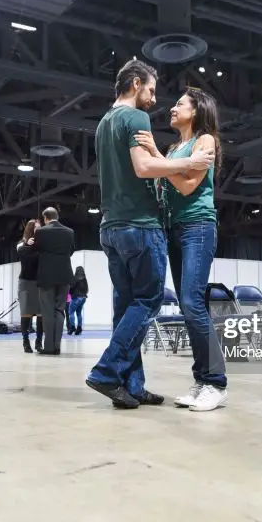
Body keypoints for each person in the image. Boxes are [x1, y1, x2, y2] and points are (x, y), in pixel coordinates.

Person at [85, 59, 215, 409]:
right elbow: (144, 168)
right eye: (152, 90)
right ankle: (106, 372)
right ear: (136, 83)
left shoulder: (103, 123)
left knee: (126, 306)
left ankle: (131, 386)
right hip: (139, 225)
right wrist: (189, 163)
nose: (155, 100)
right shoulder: (135, 117)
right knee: (148, 301)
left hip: (110, 227)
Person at [134, 88, 228, 412]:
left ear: (197, 110)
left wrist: (158, 158)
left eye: (179, 104)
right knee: (189, 307)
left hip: (197, 226)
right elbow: (167, 179)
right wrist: (162, 161)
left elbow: (188, 187)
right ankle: (201, 381)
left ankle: (216, 382)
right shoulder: (175, 149)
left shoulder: (205, 141)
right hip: (173, 229)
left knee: (191, 302)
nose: (172, 109)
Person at [32, 207, 75, 355]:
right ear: (57, 216)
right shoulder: (69, 232)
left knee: (47, 311)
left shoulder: (41, 232)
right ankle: (57, 346)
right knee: (59, 310)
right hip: (64, 275)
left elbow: (35, 251)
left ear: (46, 218)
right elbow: (71, 250)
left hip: (46, 276)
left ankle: (49, 347)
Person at [16, 219, 43, 353]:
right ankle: (26, 342)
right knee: (26, 314)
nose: (38, 230)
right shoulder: (22, 244)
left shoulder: (43, 245)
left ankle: (39, 342)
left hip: (40, 283)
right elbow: (22, 253)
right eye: (36, 227)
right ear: (30, 229)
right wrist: (28, 244)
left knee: (41, 314)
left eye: (40, 227)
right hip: (25, 283)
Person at [67, 266, 87, 335]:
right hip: (83, 298)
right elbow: (87, 289)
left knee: (71, 312)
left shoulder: (75, 278)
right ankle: (79, 328)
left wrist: (70, 292)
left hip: (76, 297)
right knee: (79, 313)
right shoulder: (84, 279)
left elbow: (71, 288)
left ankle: (72, 327)